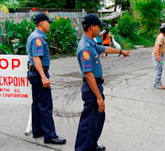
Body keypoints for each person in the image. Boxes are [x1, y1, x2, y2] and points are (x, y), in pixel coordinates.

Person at [75, 14, 130, 151]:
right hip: (91, 88)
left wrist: (120, 51)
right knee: (89, 121)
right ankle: (82, 148)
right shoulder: (85, 48)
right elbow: (88, 74)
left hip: (95, 86)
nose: (100, 29)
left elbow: (105, 49)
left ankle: (91, 145)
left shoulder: (91, 42)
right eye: (98, 26)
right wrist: (99, 97)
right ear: (91, 27)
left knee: (97, 118)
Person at [26, 13, 66, 145]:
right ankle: (50, 135)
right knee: (46, 105)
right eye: (48, 22)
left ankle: (38, 130)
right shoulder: (38, 38)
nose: (49, 25)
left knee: (37, 103)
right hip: (39, 74)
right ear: (42, 23)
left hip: (34, 73)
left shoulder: (34, 36)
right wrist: (43, 77)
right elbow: (37, 59)